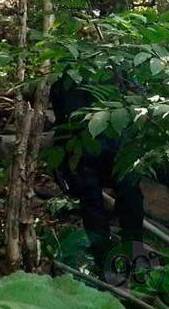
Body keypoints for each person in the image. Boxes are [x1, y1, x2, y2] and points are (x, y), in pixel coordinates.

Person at [50, 74, 144, 264]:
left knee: (129, 199)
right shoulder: (64, 81)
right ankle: (105, 260)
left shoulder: (120, 70)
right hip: (86, 152)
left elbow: (139, 107)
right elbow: (61, 123)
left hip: (114, 148)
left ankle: (129, 257)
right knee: (95, 204)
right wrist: (60, 162)